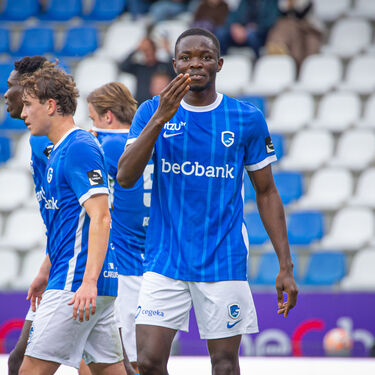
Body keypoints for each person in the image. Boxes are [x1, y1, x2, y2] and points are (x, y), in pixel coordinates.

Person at [117, 27, 298, 375]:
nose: (195, 64)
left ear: (219, 63)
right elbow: (125, 176)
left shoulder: (245, 118)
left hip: (223, 258)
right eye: (186, 58)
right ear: (174, 65)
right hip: (165, 259)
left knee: (225, 365)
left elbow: (266, 191)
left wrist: (285, 266)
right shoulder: (150, 112)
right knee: (149, 362)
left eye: (204, 57)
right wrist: (159, 119)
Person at [18, 63, 125, 375]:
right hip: (87, 280)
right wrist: (45, 269)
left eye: (28, 105)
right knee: (108, 370)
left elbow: (102, 217)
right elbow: (70, 227)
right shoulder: (61, 150)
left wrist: (87, 281)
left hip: (76, 283)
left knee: (30, 370)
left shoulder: (78, 147)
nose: (23, 114)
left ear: (50, 105)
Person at [5, 56, 92, 375]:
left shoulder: (54, 140)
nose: (7, 95)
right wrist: (46, 265)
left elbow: (86, 212)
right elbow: (61, 216)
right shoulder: (38, 138)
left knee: (24, 362)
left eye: (13, 87)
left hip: (75, 272)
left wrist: (85, 277)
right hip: (62, 266)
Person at [87, 82, 153, 375]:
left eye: (93, 118)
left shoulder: (109, 146)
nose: (92, 125)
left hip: (125, 263)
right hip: (153, 260)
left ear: (108, 116)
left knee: (131, 362)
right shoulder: (147, 141)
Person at [265, 0, 323, 68]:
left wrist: (292, 5)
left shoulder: (308, 2)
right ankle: (278, 46)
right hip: (292, 33)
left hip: (308, 30)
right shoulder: (283, 4)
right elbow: (283, 13)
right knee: (284, 25)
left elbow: (300, 15)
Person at [118, 36, 175, 104]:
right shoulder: (139, 67)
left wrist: (168, 51)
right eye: (145, 51)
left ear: (155, 50)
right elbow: (123, 67)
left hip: (160, 104)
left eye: (150, 50)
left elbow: (177, 71)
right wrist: (137, 48)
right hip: (141, 104)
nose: (148, 53)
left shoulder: (163, 66)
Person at [215, 0, 280, 57]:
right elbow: (233, 16)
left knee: (252, 36)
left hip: (260, 35)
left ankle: (257, 62)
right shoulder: (244, 1)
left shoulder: (271, 1)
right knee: (221, 32)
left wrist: (255, 28)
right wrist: (235, 26)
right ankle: (222, 62)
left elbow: (271, 21)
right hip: (241, 32)